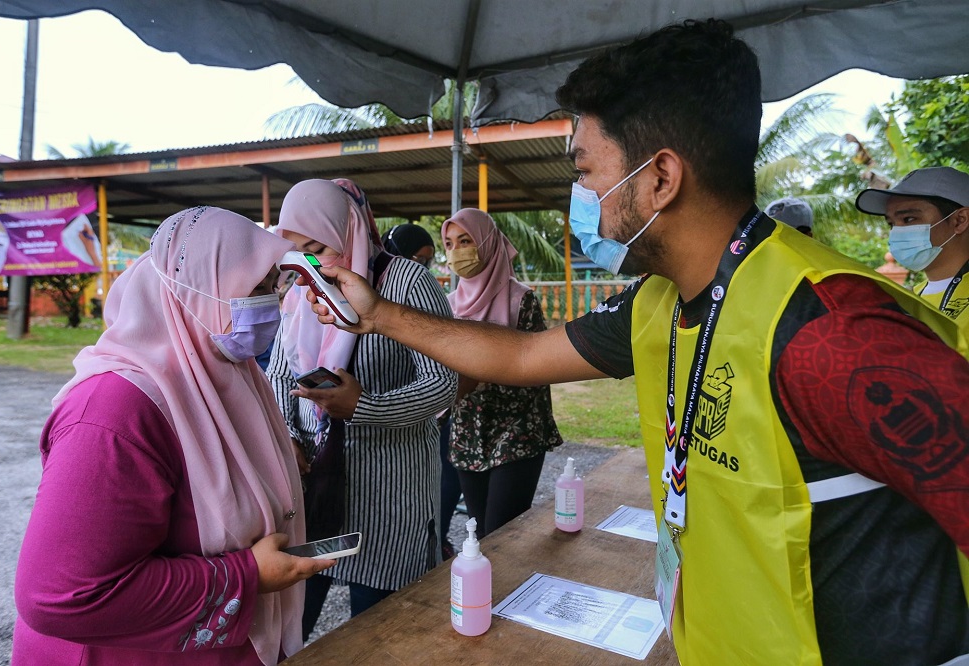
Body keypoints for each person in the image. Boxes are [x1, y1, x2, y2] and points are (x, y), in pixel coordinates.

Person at [306, 19, 969, 665]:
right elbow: (520, 356)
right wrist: (378, 315)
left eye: (588, 171)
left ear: (660, 178)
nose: (584, 194)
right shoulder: (657, 302)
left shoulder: (831, 332)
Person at [13, 206, 335, 666]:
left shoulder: (225, 374)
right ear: (195, 292)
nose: (270, 304)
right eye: (253, 288)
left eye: (272, 287)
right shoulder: (113, 412)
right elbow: (58, 594)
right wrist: (245, 576)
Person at [265, 179, 457, 641]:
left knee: (381, 631)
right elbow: (277, 373)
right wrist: (286, 436)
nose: (310, 263)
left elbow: (443, 382)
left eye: (317, 247)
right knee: (292, 620)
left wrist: (363, 406)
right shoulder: (303, 291)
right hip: (317, 487)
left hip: (389, 491)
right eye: (297, 254)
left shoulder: (404, 281)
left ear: (347, 229)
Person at [441, 208, 562, 539]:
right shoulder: (449, 305)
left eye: (465, 241)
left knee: (505, 535)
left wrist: (477, 376)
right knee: (479, 534)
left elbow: (536, 371)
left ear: (487, 242)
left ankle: (514, 592)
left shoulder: (520, 300)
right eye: (449, 244)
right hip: (467, 432)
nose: (456, 252)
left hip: (516, 431)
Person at [383, 221, 462, 559]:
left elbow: (443, 377)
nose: (423, 268)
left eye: (429, 261)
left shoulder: (421, 289)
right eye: (417, 258)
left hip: (438, 418)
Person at [856, 166, 969, 331]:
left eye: (909, 219)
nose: (897, 231)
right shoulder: (906, 300)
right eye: (891, 223)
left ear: (960, 220)